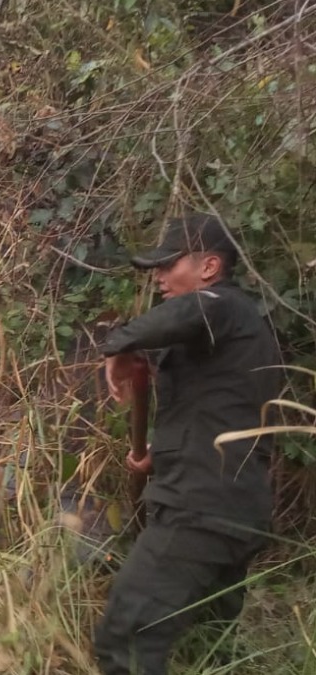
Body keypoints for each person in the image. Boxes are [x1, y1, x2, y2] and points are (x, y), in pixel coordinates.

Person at [93, 213, 283, 674]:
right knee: (207, 651)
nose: (158, 277)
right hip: (230, 512)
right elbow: (215, 414)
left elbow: (168, 321)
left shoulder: (223, 306)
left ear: (209, 267)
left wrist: (117, 347)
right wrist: (158, 457)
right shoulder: (228, 338)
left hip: (202, 511)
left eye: (168, 264)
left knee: (126, 639)